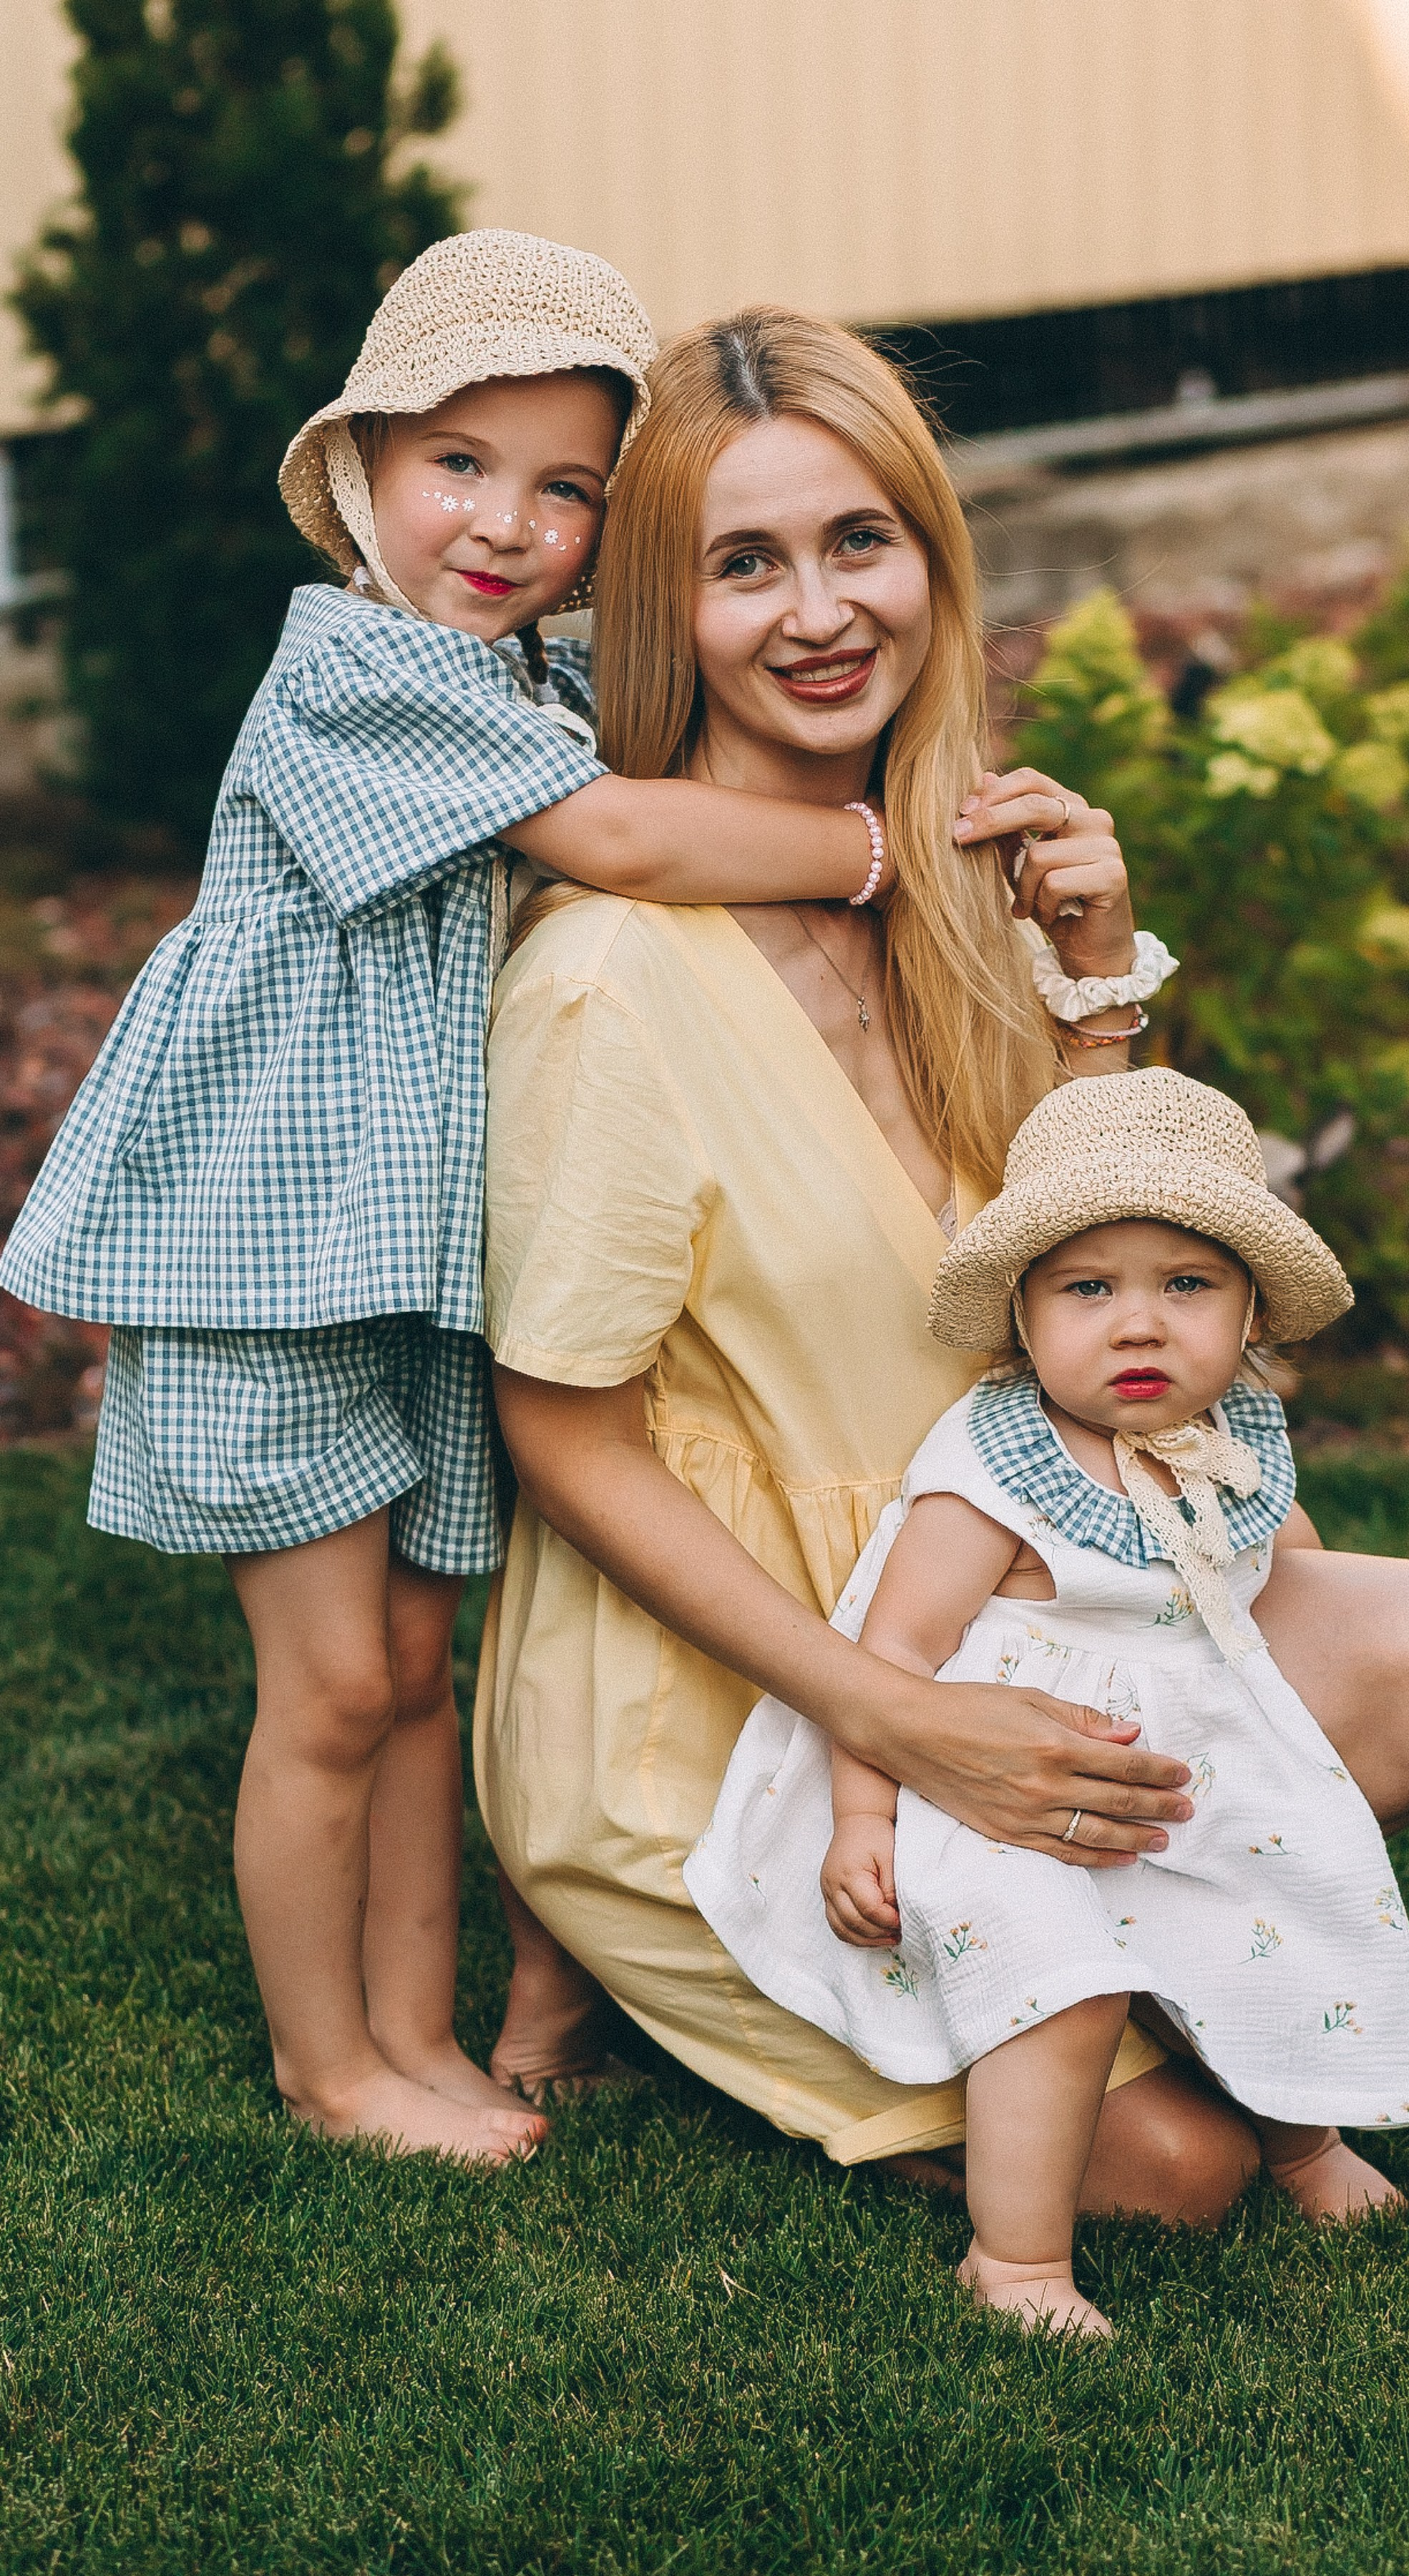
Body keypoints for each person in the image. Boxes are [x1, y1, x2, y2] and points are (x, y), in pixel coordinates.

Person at [0, 236, 1040, 2169]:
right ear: (361, 471)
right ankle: (330, 2067)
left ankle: (421, 2034)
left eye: (568, 489)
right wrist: (869, 847)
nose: (508, 524)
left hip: (391, 1243)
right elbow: (622, 831)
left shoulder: (515, 671)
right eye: (459, 466)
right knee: (330, 1686)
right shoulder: (357, 671)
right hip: (274, 1247)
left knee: (413, 1669)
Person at [479, 306, 1409, 2222]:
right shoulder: (607, 983)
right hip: (748, 1702)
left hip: (1028, 1602)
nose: (820, 614)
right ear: (664, 613)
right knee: (1185, 2173)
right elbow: (564, 1438)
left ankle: (1102, 1932)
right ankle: (648, 1940)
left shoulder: (950, 890)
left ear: (932, 561)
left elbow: (1080, 1285)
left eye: (860, 542)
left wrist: (1094, 994)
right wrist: (893, 1720)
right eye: (745, 563)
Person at [688, 1069, 1409, 2336]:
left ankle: (1304, 2145)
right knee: (1065, 1980)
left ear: (1251, 1310)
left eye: (1187, 1286)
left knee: (1265, 1899)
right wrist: (865, 1821)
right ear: (1024, 1313)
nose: (1139, 1327)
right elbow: (894, 1656)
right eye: (1089, 1289)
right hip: (980, 1791)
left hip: (1158, 1769)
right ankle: (1018, 2260)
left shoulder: (1229, 1438)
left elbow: (1271, 1561)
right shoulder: (997, 1466)